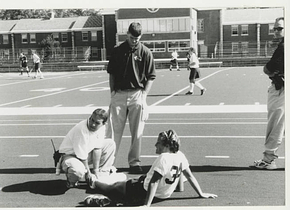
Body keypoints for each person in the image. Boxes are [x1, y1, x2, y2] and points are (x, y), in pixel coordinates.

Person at [88, 130, 217, 207]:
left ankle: (94, 182)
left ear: (166, 145)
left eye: (158, 143)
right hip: (164, 194)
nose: (156, 144)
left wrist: (147, 205)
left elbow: (153, 182)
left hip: (141, 190)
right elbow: (190, 176)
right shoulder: (180, 155)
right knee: (126, 181)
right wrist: (201, 194)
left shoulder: (164, 158)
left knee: (113, 187)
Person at [106, 22, 156, 174]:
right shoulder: (117, 51)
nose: (135, 40)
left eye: (137, 38)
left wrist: (144, 95)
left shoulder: (146, 52)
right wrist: (113, 92)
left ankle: (134, 162)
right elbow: (112, 73)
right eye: (132, 37)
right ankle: (108, 163)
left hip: (137, 94)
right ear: (127, 34)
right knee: (113, 131)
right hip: (119, 94)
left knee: (137, 131)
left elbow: (151, 76)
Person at [57, 108, 118, 188]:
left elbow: (97, 149)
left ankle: (102, 175)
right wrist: (88, 173)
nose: (93, 124)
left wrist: (96, 171)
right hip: (69, 156)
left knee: (110, 144)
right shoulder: (81, 129)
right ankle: (71, 180)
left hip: (85, 153)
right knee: (78, 171)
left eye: (97, 123)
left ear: (103, 124)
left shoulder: (102, 128)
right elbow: (82, 156)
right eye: (92, 120)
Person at [253, 17, 284, 170]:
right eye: (275, 28)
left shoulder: (284, 47)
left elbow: (268, 69)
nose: (276, 31)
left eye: (280, 28)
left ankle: (269, 159)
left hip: (282, 89)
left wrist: (274, 74)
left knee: (276, 123)